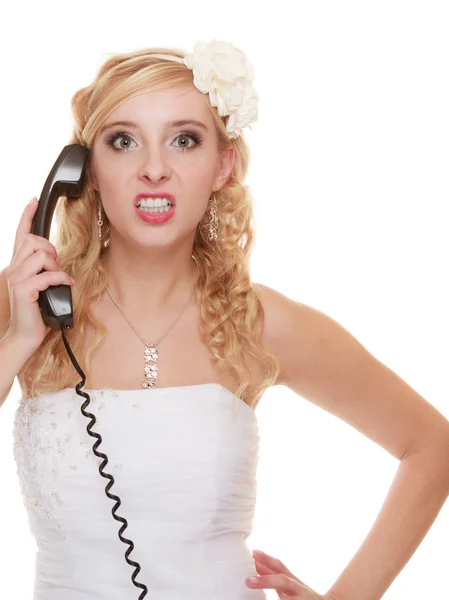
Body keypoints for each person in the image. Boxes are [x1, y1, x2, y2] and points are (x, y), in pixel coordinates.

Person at [1, 39, 449, 600]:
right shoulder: (23, 301)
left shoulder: (260, 321)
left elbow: (432, 444)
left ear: (223, 164)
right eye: (123, 142)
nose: (155, 170)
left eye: (184, 140)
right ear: (84, 171)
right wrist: (18, 339)